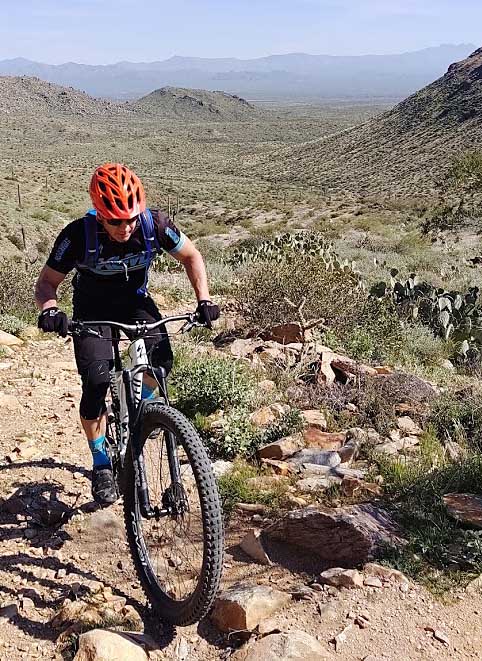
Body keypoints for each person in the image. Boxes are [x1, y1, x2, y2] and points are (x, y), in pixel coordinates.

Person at [34, 163, 219, 505]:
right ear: (99, 214)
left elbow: (191, 256)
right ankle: (101, 460)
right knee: (96, 381)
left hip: (135, 303)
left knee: (161, 362)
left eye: (132, 218)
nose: (126, 227)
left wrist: (203, 299)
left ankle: (143, 413)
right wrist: (50, 310)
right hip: (92, 311)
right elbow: (46, 282)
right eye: (116, 220)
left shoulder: (155, 225)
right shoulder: (77, 235)